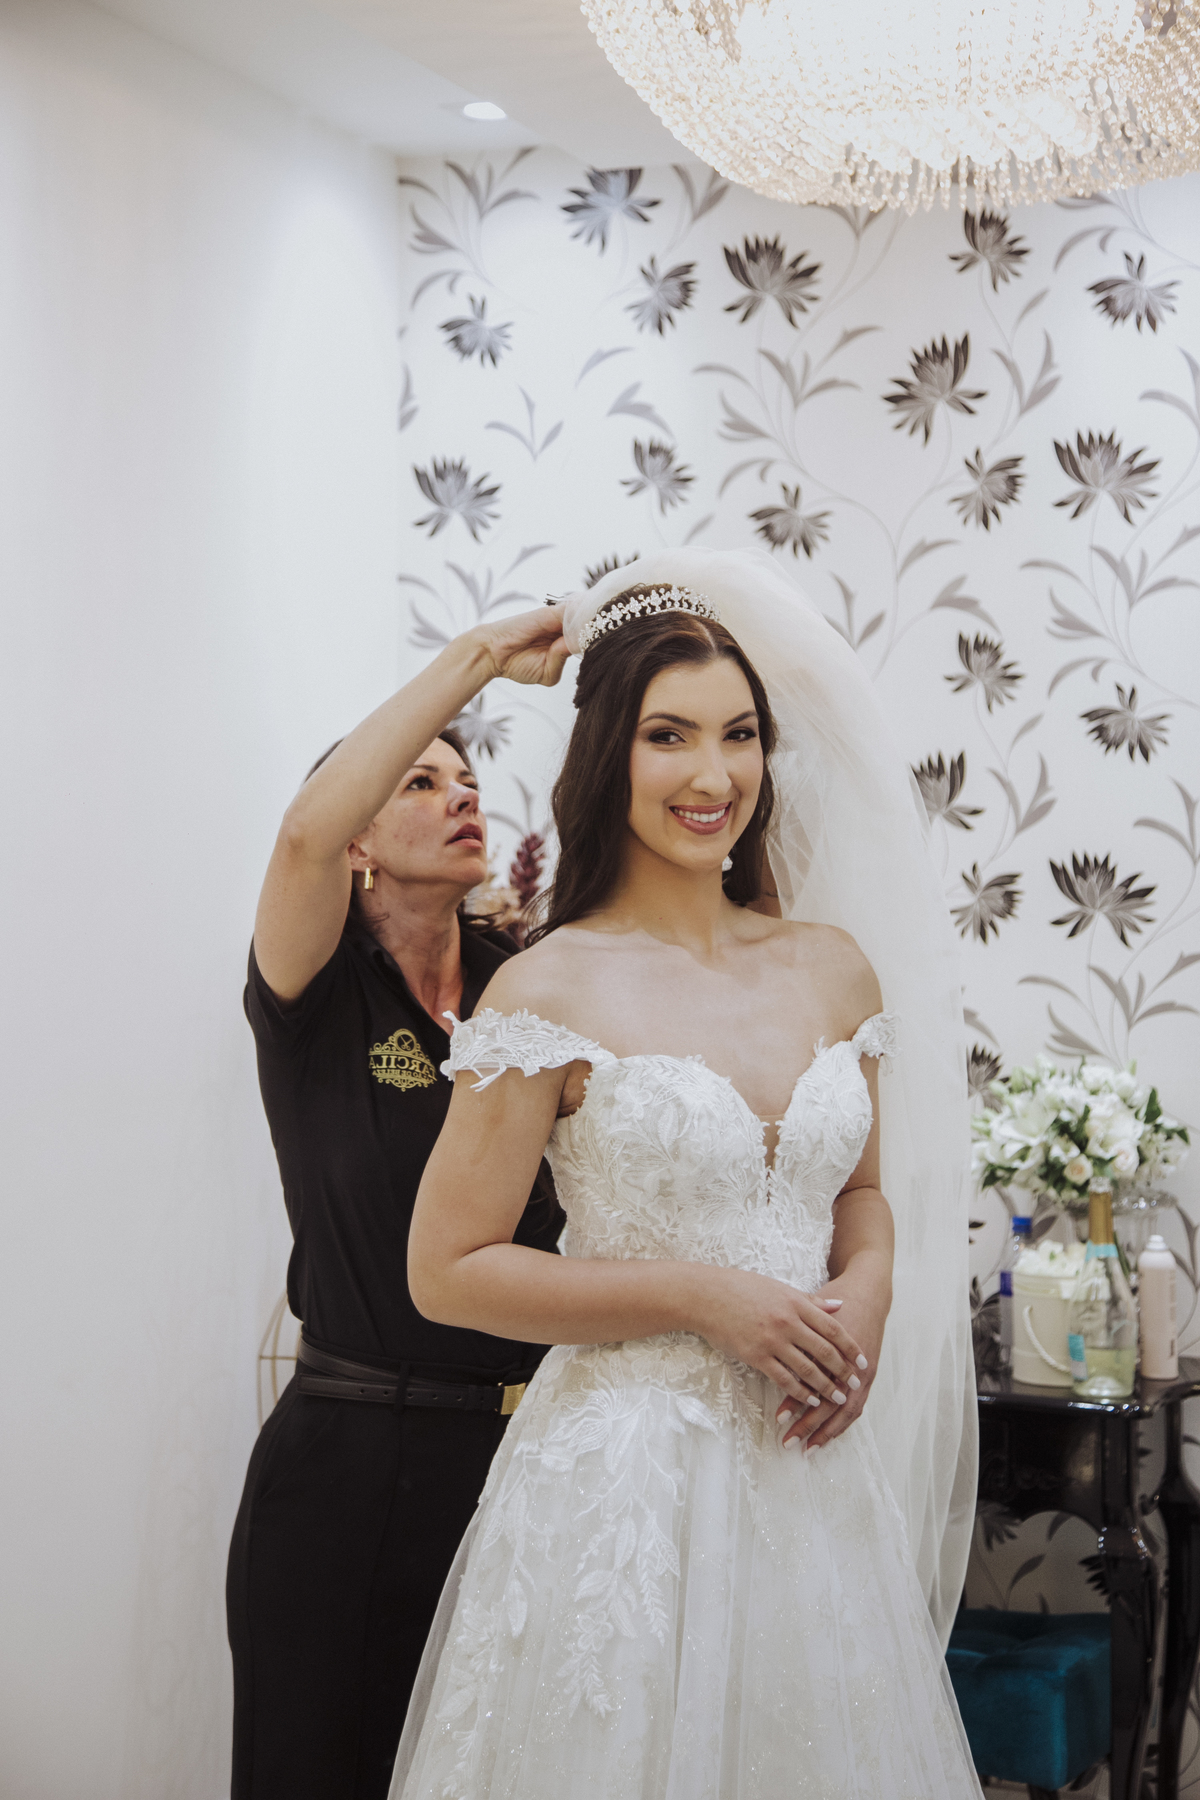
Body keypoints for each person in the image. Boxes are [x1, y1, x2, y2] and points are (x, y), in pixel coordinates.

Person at [388, 548, 981, 1799]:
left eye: (739, 735)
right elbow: (448, 1271)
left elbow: (860, 1194)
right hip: (621, 1491)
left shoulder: (832, 965)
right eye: (670, 736)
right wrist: (703, 1297)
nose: (714, 777)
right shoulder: (546, 986)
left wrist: (869, 1289)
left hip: (809, 1478)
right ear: (611, 753)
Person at [226, 605, 574, 1800]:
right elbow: (302, 835)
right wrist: (480, 660)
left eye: (469, 780)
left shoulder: (529, 990)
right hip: (353, 1460)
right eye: (421, 781)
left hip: (533, 1453)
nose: (461, 794)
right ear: (361, 841)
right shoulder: (319, 990)